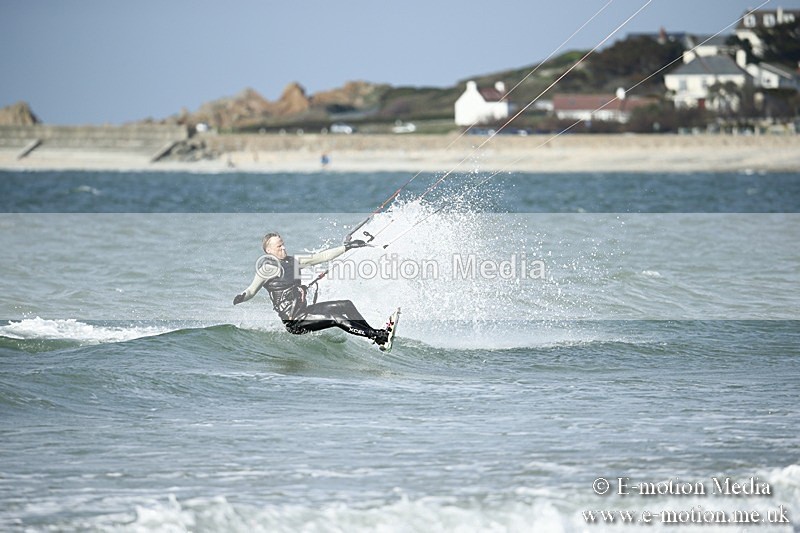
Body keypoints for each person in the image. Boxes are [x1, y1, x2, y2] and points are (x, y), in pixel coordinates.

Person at [233, 232, 390, 346]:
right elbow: (251, 291)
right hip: (295, 321)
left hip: (305, 311)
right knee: (335, 318)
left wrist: (347, 247)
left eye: (283, 244)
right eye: (279, 246)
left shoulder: (295, 261)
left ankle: (376, 334)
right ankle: (376, 335)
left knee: (345, 304)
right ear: (268, 250)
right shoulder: (267, 269)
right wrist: (242, 296)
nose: (284, 247)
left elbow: (321, 257)